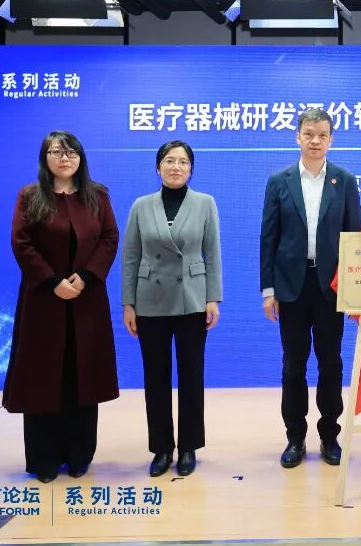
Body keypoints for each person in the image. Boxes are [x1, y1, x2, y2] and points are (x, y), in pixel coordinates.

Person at [4, 131, 120, 483]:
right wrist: (52, 281)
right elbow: (21, 242)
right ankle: (44, 459)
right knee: (43, 378)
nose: (64, 158)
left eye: (71, 152)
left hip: (86, 301)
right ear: (46, 158)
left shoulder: (97, 195)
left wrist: (85, 276)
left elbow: (109, 238)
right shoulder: (30, 196)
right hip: (43, 300)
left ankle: (80, 455)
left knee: (82, 375)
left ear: (81, 158)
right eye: (56, 152)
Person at [260, 107, 361, 468]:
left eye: (322, 135)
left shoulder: (344, 181)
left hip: (331, 287)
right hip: (292, 286)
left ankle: (330, 436)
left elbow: (354, 237)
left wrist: (354, 288)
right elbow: (268, 238)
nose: (315, 141)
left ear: (331, 139)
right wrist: (268, 289)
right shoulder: (280, 181)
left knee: (331, 364)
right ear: (298, 137)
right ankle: (295, 438)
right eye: (309, 134)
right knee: (293, 365)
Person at [121, 140, 222, 478]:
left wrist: (213, 298)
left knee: (192, 375)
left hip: (192, 298)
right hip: (150, 299)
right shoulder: (141, 206)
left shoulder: (205, 203)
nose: (176, 167)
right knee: (156, 376)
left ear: (191, 169)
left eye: (182, 161)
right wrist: (129, 303)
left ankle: (189, 446)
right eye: (169, 160)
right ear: (158, 167)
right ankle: (162, 448)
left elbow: (212, 253)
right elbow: (131, 257)